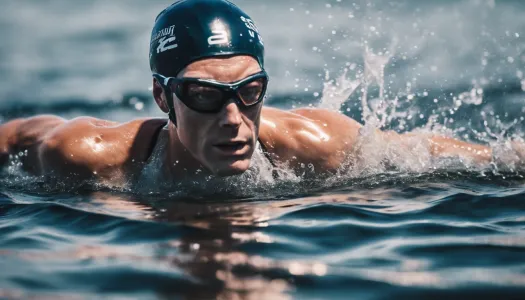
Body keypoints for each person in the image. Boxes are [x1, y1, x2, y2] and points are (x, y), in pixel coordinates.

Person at [0, 0, 523, 186]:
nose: (232, 117)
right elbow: (16, 136)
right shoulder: (89, 157)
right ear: (164, 99)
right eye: (204, 95)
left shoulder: (314, 142)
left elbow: (422, 152)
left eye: (249, 91)